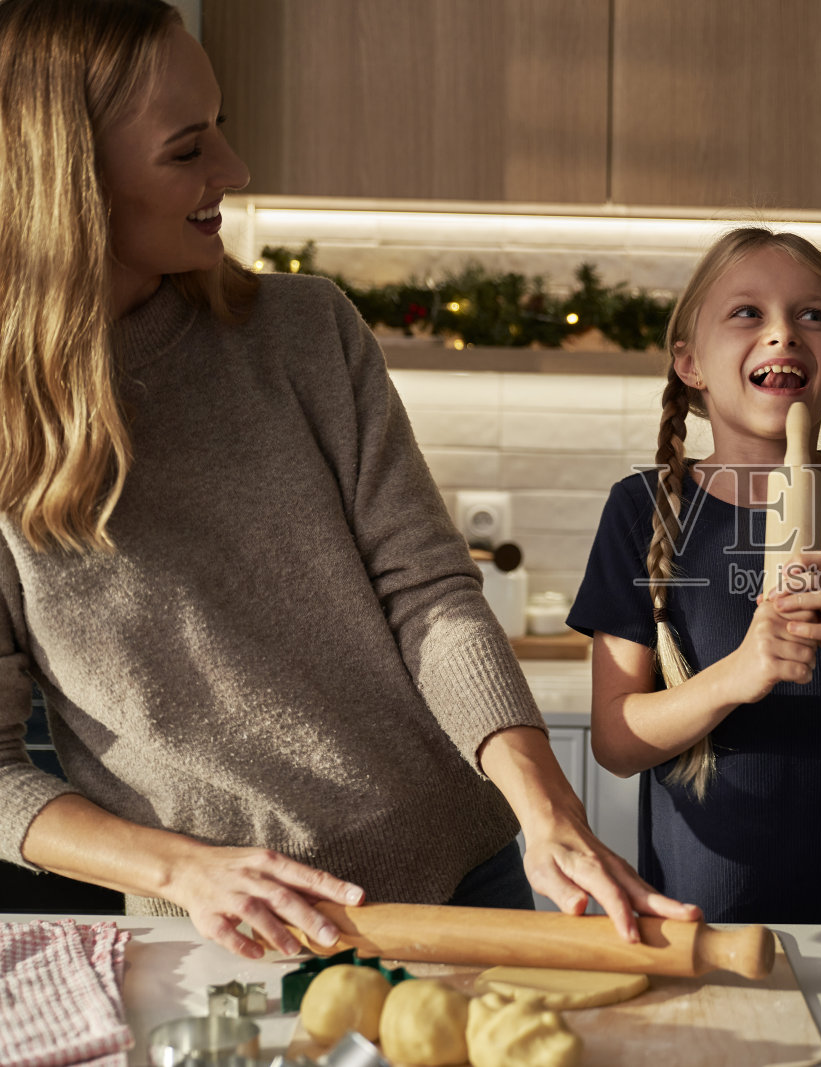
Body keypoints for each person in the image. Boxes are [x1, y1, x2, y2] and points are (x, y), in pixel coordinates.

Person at [0, 0, 697, 958]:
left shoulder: (303, 331)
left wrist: (546, 807)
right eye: (186, 148)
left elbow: (430, 593)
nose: (234, 173)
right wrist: (184, 870)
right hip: (229, 929)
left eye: (223, 129)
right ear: (69, 180)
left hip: (469, 876)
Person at [568, 228, 821, 924]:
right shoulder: (643, 511)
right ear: (690, 363)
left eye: (813, 315)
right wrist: (740, 672)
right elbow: (615, 741)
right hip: (712, 905)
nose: (783, 334)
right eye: (747, 312)